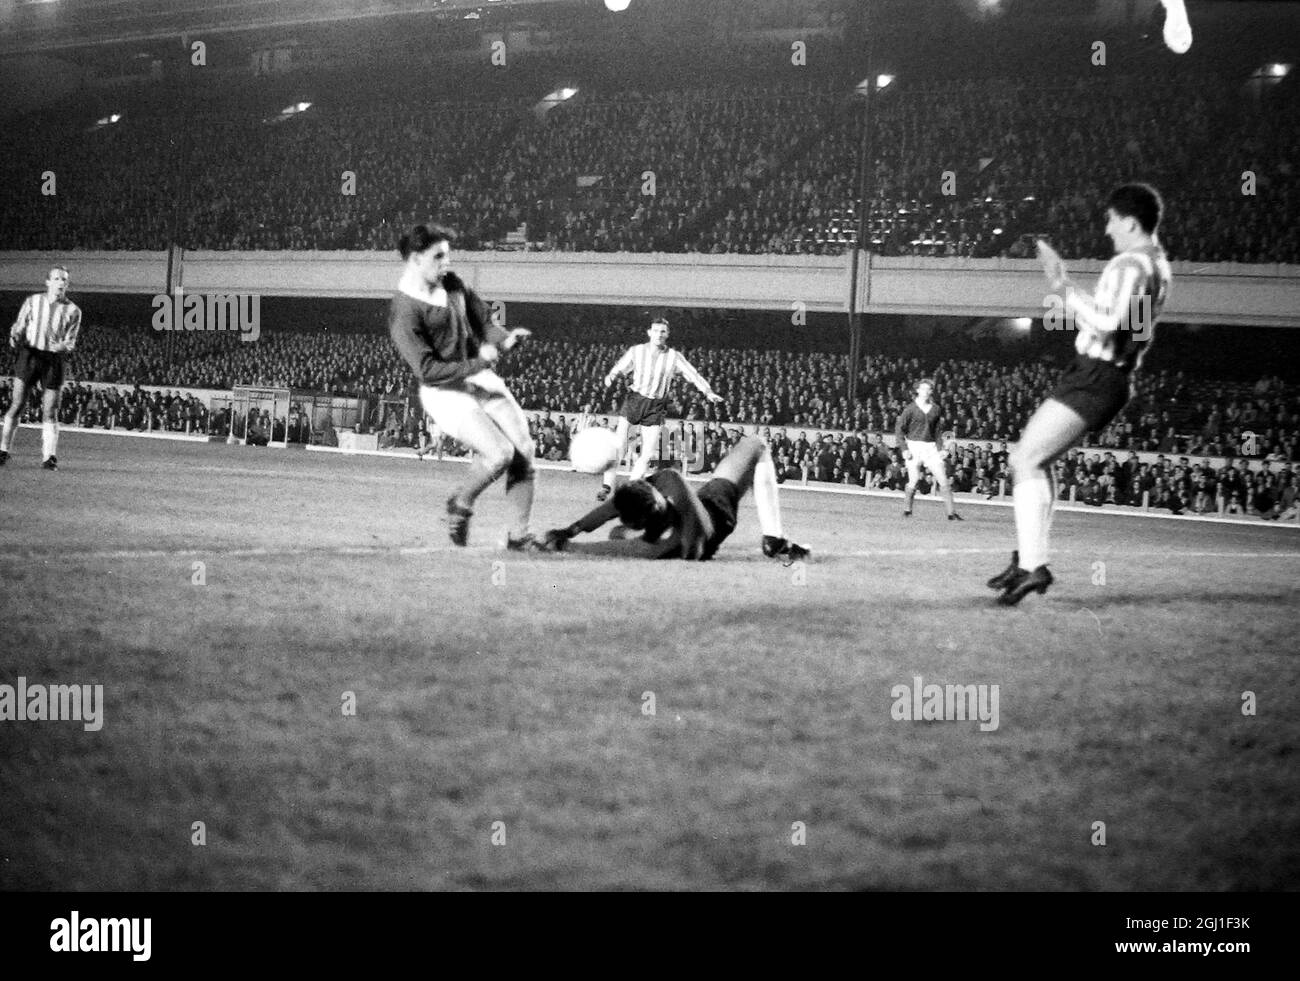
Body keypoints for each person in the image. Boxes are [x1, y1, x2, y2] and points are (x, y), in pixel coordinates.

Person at [989, 183, 1172, 605]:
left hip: (1097, 374)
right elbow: (1133, 326)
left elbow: (1109, 324)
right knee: (1034, 459)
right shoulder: (1157, 265)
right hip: (1108, 375)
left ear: (1129, 221)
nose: (1107, 230)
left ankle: (1034, 566)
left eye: (1110, 220)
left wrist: (1062, 284)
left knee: (1025, 459)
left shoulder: (1129, 264)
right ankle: (1030, 562)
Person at [388, 223, 539, 549]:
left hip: (478, 377)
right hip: (444, 392)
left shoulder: (453, 283)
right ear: (415, 259)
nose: (447, 263)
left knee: (524, 452)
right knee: (499, 455)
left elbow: (483, 321)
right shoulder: (404, 310)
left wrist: (505, 339)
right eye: (438, 257)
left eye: (448, 256)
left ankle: (518, 536)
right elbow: (428, 370)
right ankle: (461, 502)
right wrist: (482, 361)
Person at [544, 435, 809, 564]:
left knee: (616, 534)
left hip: (704, 507)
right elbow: (619, 511)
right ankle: (773, 537)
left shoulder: (652, 543)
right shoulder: (670, 487)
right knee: (756, 445)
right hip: (717, 510)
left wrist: (570, 534)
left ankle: (774, 538)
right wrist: (571, 541)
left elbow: (612, 517)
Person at [596, 315, 723, 501]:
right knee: (619, 445)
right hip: (635, 400)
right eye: (656, 331)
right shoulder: (637, 351)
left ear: (668, 334)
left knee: (647, 452)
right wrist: (611, 376)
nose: (659, 334)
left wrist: (708, 392)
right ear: (649, 333)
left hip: (655, 405)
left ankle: (630, 490)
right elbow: (620, 367)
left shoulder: (674, 356)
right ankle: (607, 486)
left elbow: (692, 374)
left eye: (663, 331)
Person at [1, 265, 82, 470]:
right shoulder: (32, 301)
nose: (61, 283)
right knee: (17, 404)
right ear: (48, 282)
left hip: (53, 359)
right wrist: (15, 336)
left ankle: (49, 457)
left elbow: (71, 341)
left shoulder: (73, 310)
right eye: (56, 279)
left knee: (51, 410)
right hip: (30, 355)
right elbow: (19, 326)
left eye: (64, 280)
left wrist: (62, 346)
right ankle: (3, 450)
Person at [894, 379, 962, 520]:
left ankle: (951, 513)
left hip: (930, 447)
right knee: (913, 480)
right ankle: (907, 510)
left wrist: (943, 449)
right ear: (917, 390)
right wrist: (904, 448)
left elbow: (939, 431)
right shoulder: (910, 409)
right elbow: (899, 430)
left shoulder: (936, 409)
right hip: (914, 447)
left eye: (928, 389)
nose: (925, 391)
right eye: (923, 388)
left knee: (943, 479)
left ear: (931, 391)